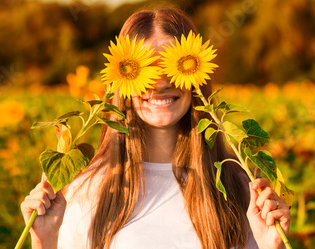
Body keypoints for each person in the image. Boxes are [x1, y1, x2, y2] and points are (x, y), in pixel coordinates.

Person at [21, 7, 291, 249]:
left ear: (197, 74)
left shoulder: (238, 187)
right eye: (145, 70)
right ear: (122, 78)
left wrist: (272, 247)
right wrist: (43, 241)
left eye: (172, 67)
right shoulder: (88, 190)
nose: (160, 83)